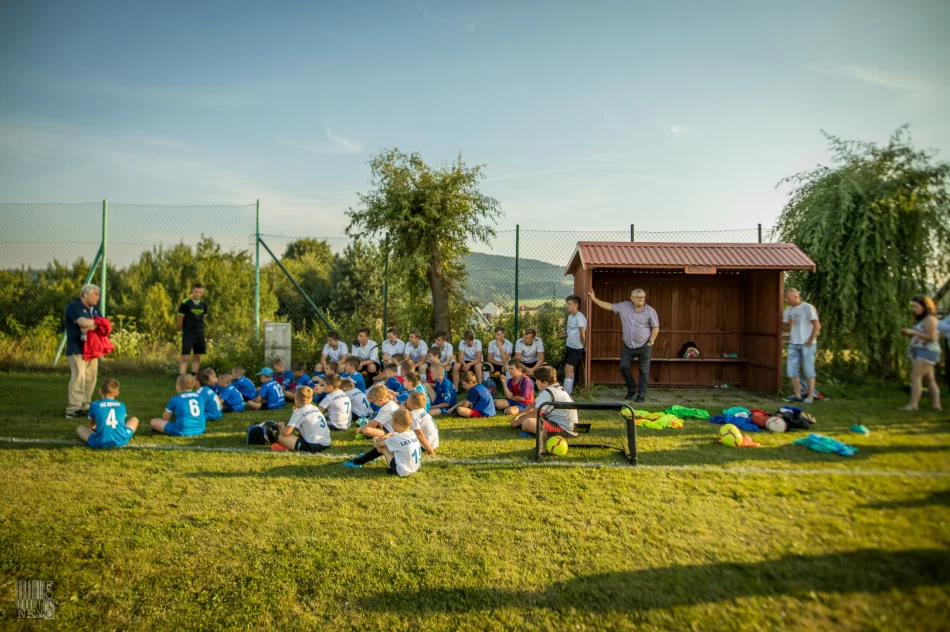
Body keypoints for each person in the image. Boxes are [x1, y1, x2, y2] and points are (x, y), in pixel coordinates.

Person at [589, 289, 659, 402]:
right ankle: (631, 389)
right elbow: (609, 306)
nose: (641, 299)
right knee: (623, 367)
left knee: (644, 371)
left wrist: (651, 342)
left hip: (644, 345)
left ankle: (641, 395)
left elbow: (655, 327)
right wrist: (594, 299)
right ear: (632, 298)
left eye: (643, 297)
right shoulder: (624, 306)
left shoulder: (650, 311)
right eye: (638, 297)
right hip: (628, 345)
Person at [344, 409, 422, 476]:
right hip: (414, 468)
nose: (391, 424)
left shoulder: (397, 438)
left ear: (398, 425)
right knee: (387, 444)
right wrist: (387, 436)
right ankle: (369, 457)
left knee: (382, 448)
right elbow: (393, 435)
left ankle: (357, 463)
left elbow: (379, 443)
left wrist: (375, 438)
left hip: (402, 471)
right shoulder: (411, 433)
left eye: (392, 422)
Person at [64, 283, 101, 418]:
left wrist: (94, 323)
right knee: (79, 377)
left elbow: (106, 324)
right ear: (85, 294)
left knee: (91, 378)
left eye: (98, 295)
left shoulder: (95, 310)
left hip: (92, 349)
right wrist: (96, 324)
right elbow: (82, 323)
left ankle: (85, 406)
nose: (98, 297)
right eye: (95, 294)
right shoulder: (74, 307)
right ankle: (73, 408)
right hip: (77, 348)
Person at [900, 296, 942, 412]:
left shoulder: (930, 319)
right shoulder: (922, 319)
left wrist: (914, 332)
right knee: (929, 380)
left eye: (916, 306)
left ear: (925, 306)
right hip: (922, 350)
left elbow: (932, 337)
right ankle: (936, 405)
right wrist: (910, 334)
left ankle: (913, 405)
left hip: (927, 351)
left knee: (915, 377)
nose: (914, 309)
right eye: (913, 306)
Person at [510, 366, 577, 436]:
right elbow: (532, 404)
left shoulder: (547, 392)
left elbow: (535, 413)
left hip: (565, 429)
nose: (536, 383)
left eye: (537, 380)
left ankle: (536, 432)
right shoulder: (554, 387)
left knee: (527, 422)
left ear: (545, 382)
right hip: (568, 426)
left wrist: (519, 421)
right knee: (532, 419)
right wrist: (517, 416)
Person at [782, 288, 821, 404]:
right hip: (793, 343)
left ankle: (810, 396)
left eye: (788, 298)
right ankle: (798, 395)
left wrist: (810, 341)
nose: (786, 300)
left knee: (809, 370)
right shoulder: (788, 310)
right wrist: (789, 324)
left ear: (795, 296)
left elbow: (817, 326)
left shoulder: (808, 308)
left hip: (807, 344)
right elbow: (783, 328)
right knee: (792, 371)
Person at [77, 379, 138, 448]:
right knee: (134, 419)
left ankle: (101, 437)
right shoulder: (121, 405)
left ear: (100, 391)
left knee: (80, 429)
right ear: (117, 393)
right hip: (121, 440)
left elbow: (91, 426)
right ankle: (119, 436)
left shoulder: (95, 405)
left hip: (100, 442)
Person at [274, 386, 331, 453]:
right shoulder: (315, 408)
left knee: (281, 436)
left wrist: (282, 425)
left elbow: (286, 433)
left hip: (313, 446)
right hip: (326, 443)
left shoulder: (298, 413)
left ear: (297, 401)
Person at [557, 295, 587, 395]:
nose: (567, 306)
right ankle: (570, 391)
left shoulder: (580, 317)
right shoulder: (570, 316)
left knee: (568, 370)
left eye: (569, 304)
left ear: (576, 305)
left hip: (576, 348)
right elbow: (570, 331)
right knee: (569, 369)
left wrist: (583, 345)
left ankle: (565, 394)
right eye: (567, 304)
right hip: (569, 346)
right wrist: (563, 334)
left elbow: (582, 334)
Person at [177, 283, 208, 376]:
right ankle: (181, 377)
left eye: (199, 292)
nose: (197, 294)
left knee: (197, 356)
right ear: (192, 291)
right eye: (196, 291)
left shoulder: (204, 304)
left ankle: (194, 376)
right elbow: (179, 319)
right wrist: (184, 330)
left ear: (202, 292)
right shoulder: (185, 303)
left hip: (200, 333)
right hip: (188, 333)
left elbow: (204, 318)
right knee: (185, 357)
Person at [405, 391, 439, 457]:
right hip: (434, 443)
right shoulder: (423, 412)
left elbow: (420, 435)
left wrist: (431, 451)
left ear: (412, 406)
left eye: (408, 400)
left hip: (425, 446)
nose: (406, 401)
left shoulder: (414, 416)